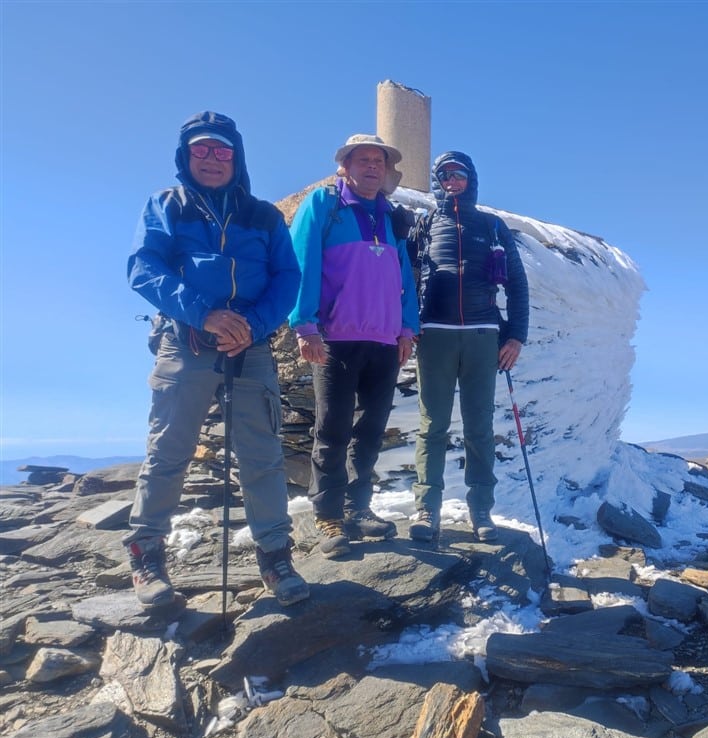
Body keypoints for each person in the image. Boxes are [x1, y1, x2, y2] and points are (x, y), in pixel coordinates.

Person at [125, 111, 309, 608]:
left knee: (262, 454)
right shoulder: (167, 205)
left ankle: (275, 556)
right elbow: (143, 269)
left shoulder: (264, 216)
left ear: (237, 156)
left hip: (250, 346)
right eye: (201, 149)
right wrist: (204, 314)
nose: (211, 159)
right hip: (185, 340)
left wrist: (253, 324)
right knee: (169, 450)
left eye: (221, 150)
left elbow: (287, 278)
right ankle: (146, 553)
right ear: (186, 156)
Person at [288, 135, 419, 559]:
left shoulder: (390, 216)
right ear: (345, 166)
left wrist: (406, 328)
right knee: (332, 429)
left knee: (370, 430)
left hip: (383, 340)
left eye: (378, 160)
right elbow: (301, 263)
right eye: (362, 159)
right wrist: (304, 325)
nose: (371, 166)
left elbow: (405, 275)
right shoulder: (324, 206)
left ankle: (357, 507)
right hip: (335, 338)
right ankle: (328, 515)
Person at [409, 151, 529, 543]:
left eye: (458, 174)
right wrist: (406, 325)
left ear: (470, 179)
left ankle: (481, 511)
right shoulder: (425, 225)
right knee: (433, 427)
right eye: (443, 175)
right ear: (436, 181)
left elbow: (517, 284)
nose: (451, 181)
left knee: (479, 427)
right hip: (435, 335)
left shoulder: (492, 227)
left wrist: (515, 336)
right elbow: (403, 279)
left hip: (482, 336)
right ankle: (427, 509)